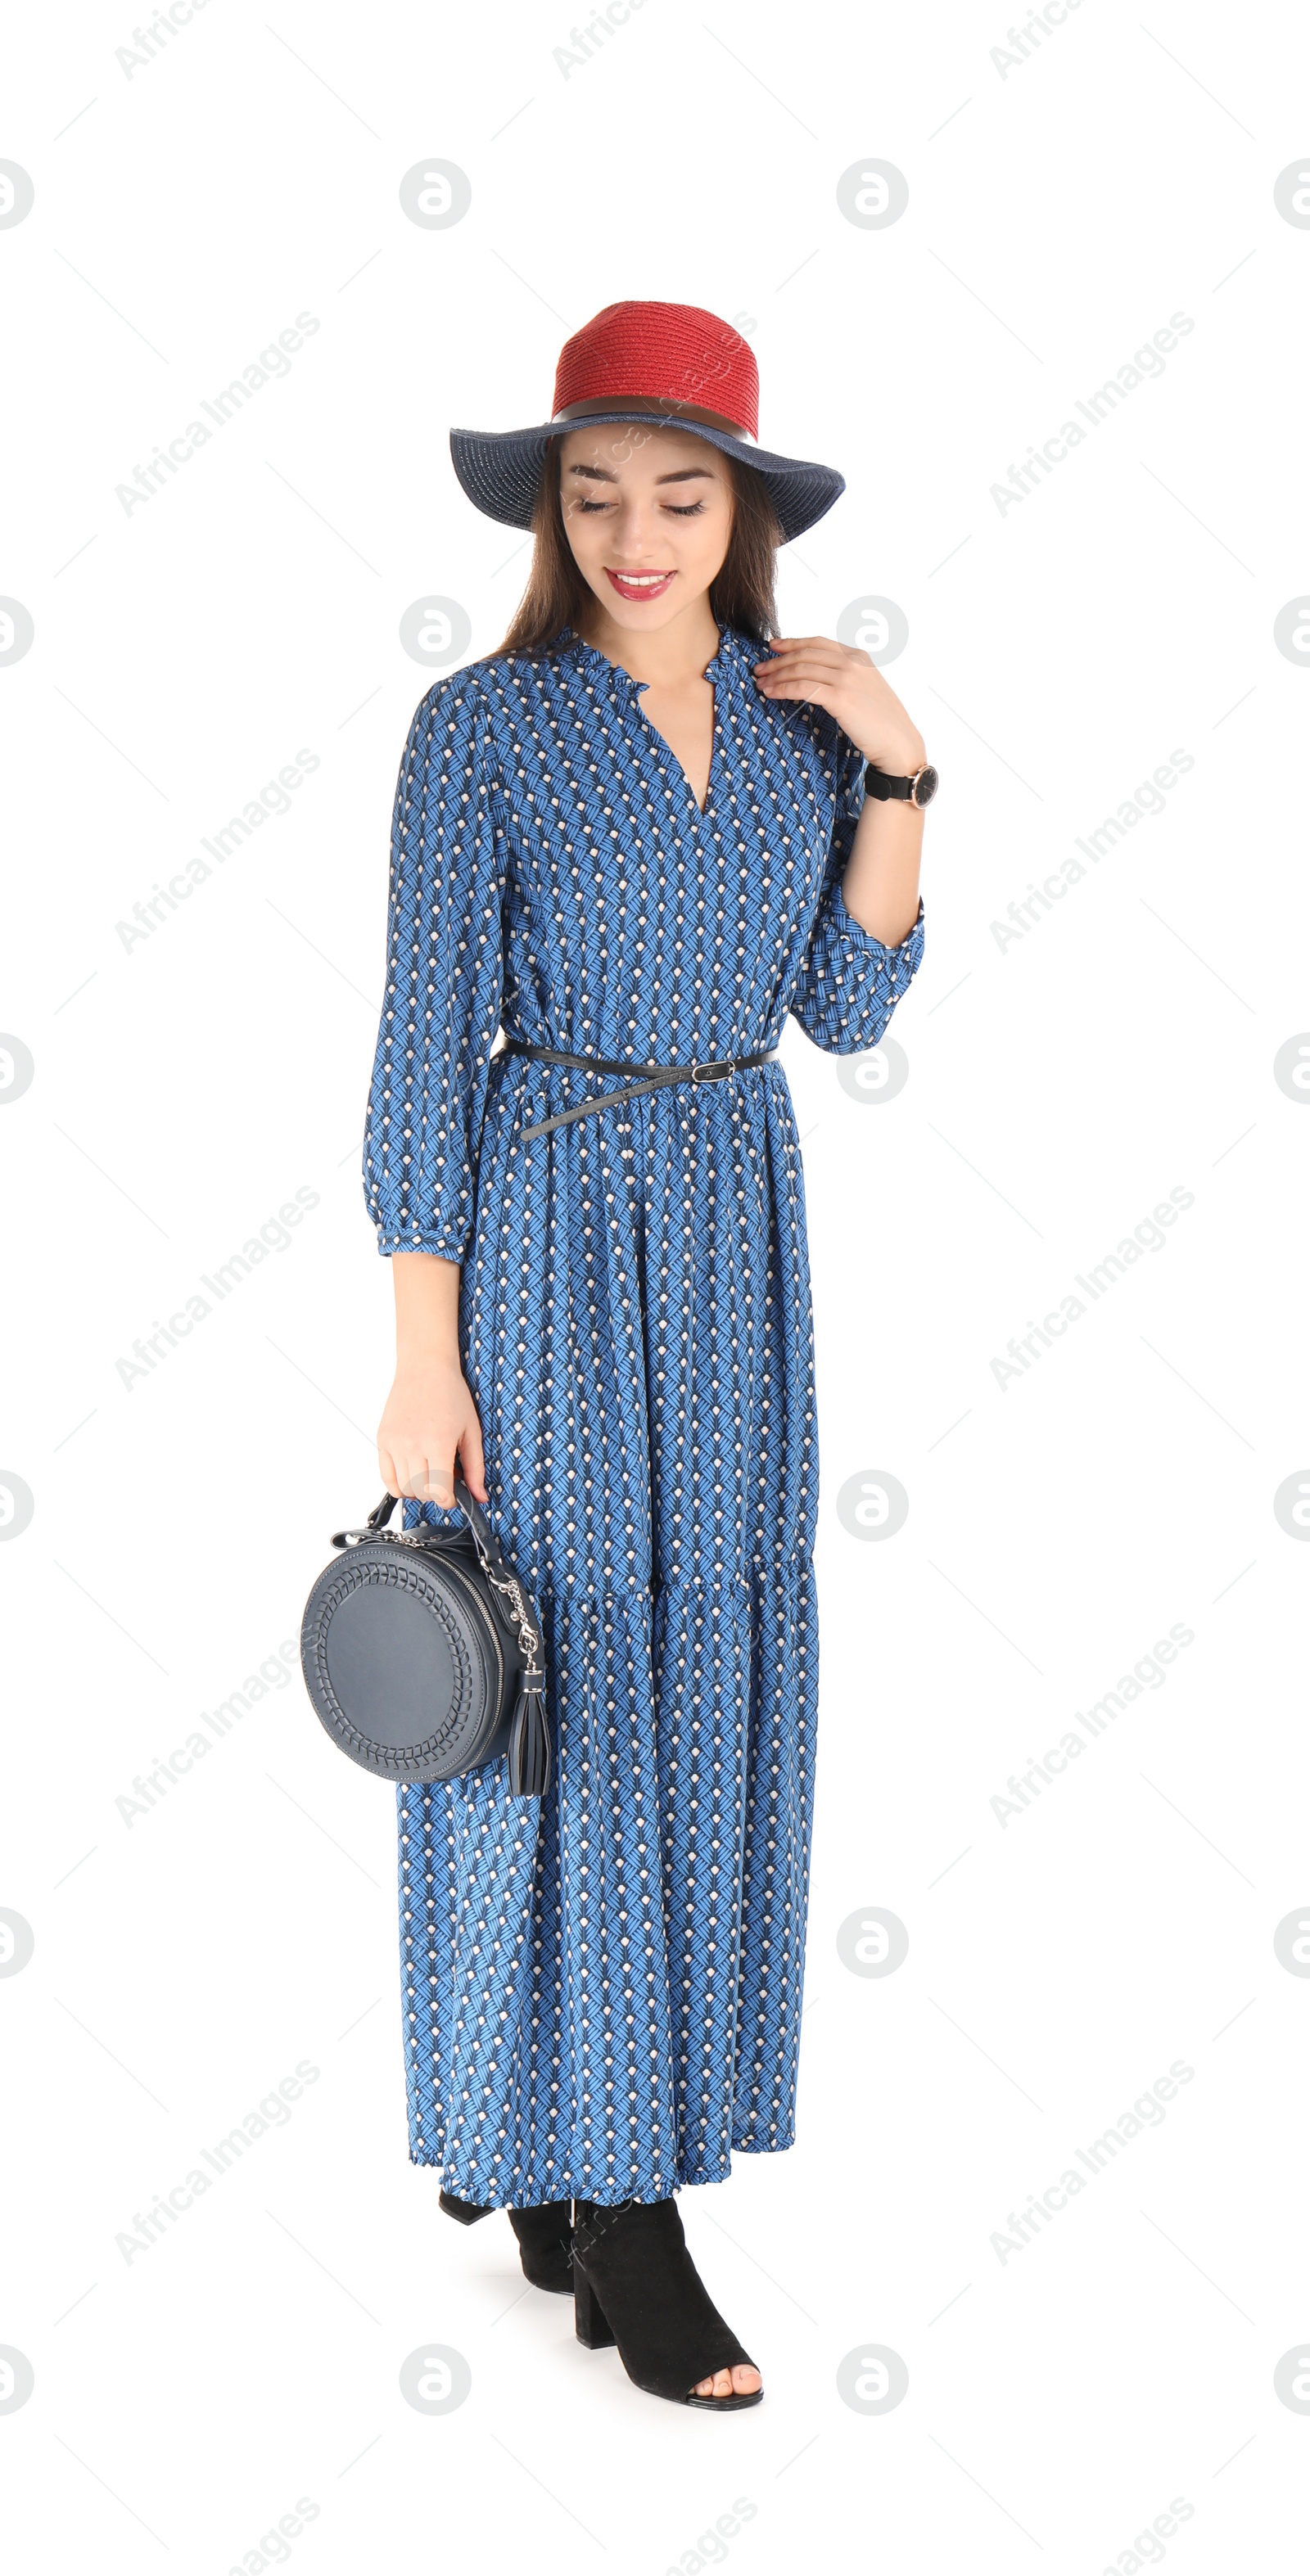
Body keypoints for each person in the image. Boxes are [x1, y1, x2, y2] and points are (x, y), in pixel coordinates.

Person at [361, 300, 933, 2410]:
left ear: (743, 514)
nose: (634, 532)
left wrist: (903, 762)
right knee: (552, 1683)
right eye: (594, 494)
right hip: (536, 1230)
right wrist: (425, 1360)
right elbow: (423, 1057)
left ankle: (567, 2150)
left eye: (679, 495)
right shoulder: (480, 726)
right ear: (550, 513)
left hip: (733, 1240)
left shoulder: (799, 736)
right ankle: (616, 2206)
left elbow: (848, 1013)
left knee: (706, 1673)